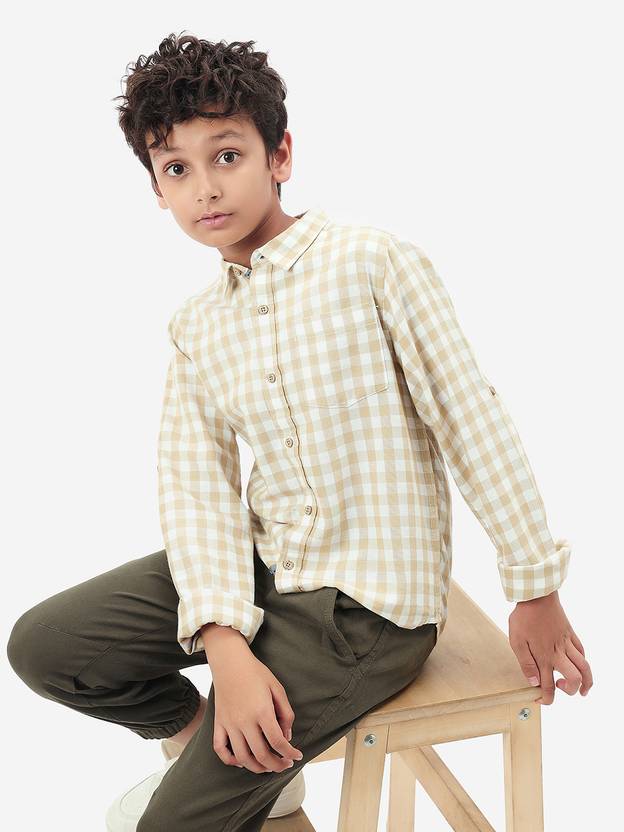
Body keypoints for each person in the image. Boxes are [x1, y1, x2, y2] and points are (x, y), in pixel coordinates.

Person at [6, 31, 593, 832]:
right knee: (45, 646)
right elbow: (198, 495)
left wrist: (534, 585)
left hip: (367, 611)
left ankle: (231, 774)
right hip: (265, 566)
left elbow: (470, 417)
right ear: (157, 190)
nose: (205, 188)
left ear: (279, 155)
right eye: (176, 169)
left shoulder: (371, 263)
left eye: (227, 156)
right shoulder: (196, 327)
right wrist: (226, 650)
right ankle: (211, 749)